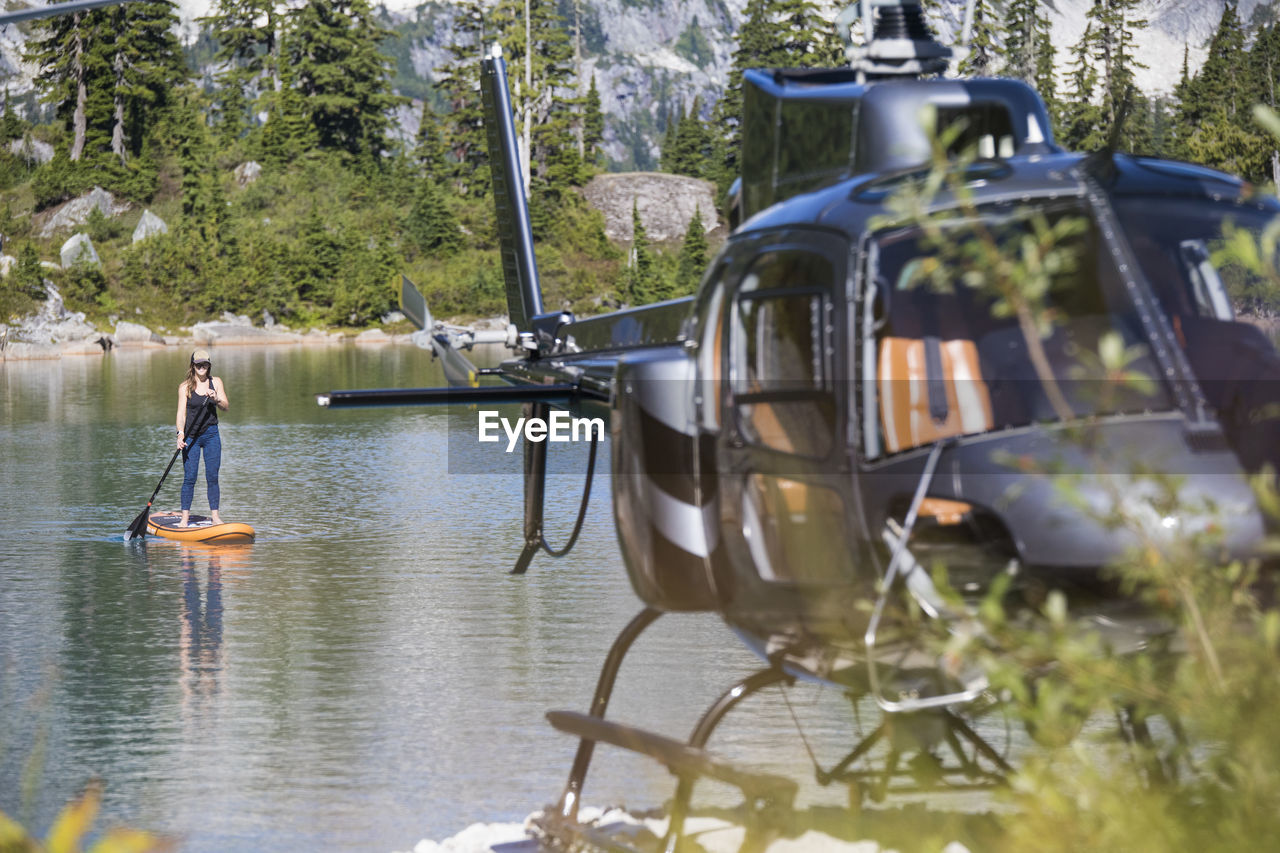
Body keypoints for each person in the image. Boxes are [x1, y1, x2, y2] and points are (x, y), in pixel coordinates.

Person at [176, 349, 229, 527]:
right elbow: (181, 414)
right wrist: (180, 433)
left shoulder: (216, 382)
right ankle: (184, 519)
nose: (201, 367)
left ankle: (215, 517)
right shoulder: (185, 387)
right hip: (191, 437)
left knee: (212, 476)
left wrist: (216, 399)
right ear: (193, 366)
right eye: (198, 364)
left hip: (211, 434)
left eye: (205, 364)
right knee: (190, 477)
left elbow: (226, 406)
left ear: (209, 365)